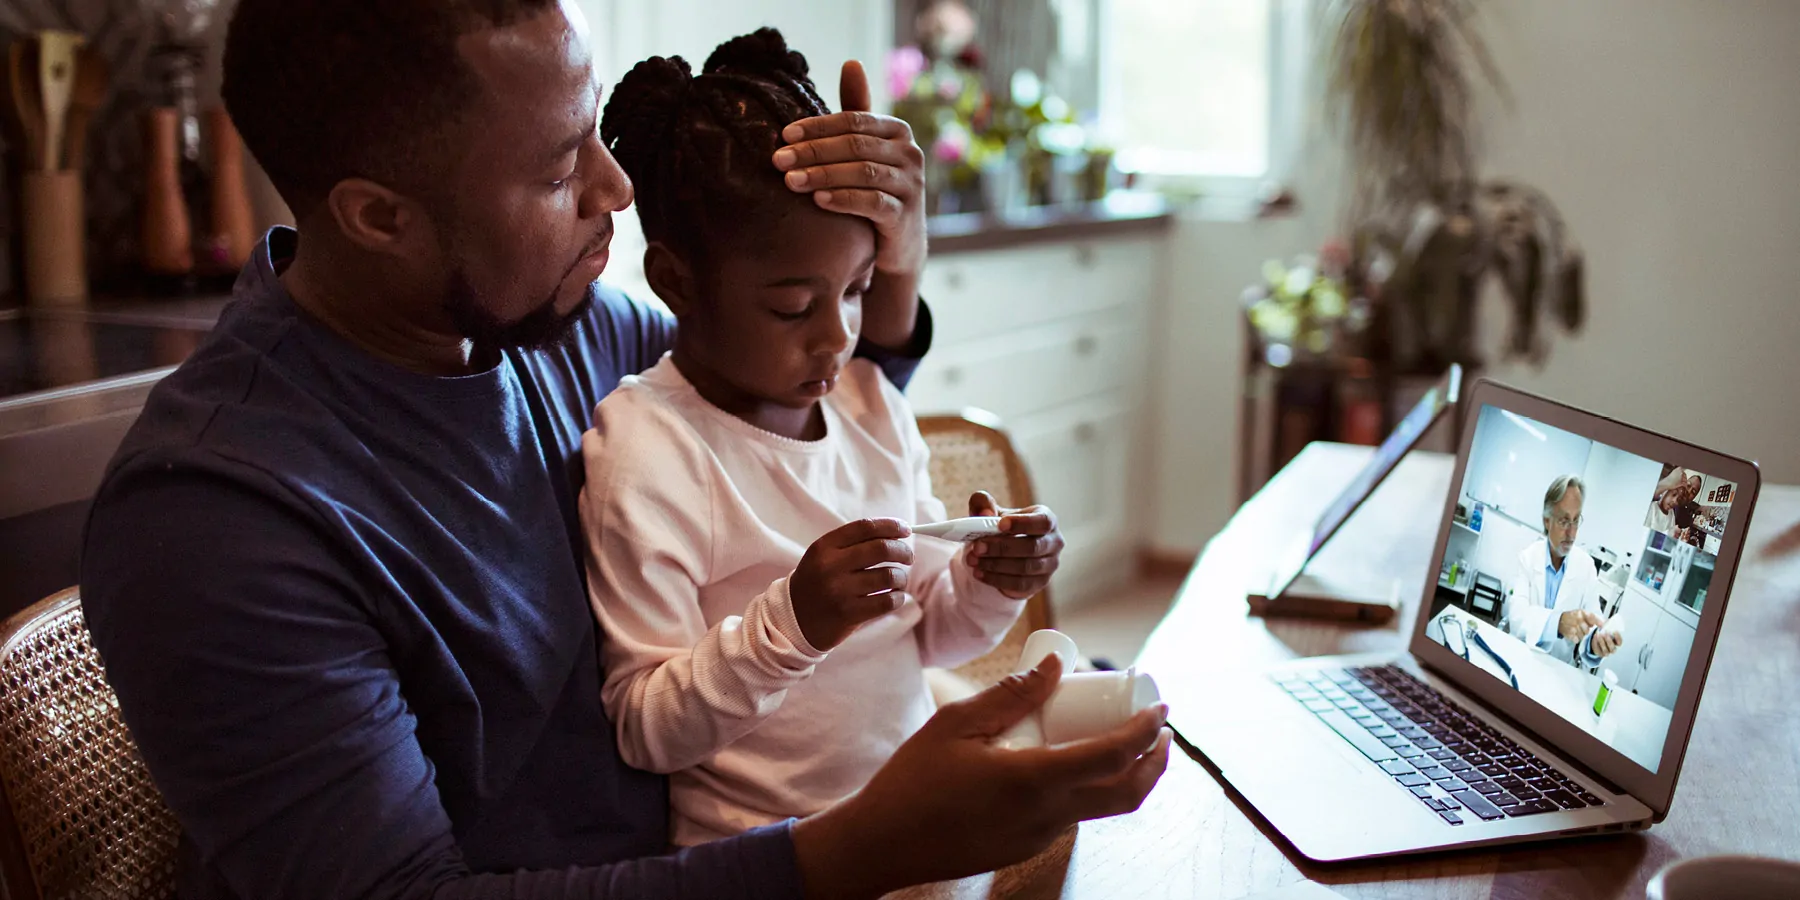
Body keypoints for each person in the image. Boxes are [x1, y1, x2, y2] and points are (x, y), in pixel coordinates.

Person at [76, 2, 1170, 898]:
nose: (616, 190)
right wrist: (857, 848)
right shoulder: (218, 519)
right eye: (559, 172)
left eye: (597, 132)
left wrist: (891, 269)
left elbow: (782, 417)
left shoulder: (560, 327)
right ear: (378, 216)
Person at [584, 30, 1053, 847]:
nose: (837, 338)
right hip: (769, 859)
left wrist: (989, 583)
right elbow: (645, 729)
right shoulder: (648, 452)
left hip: (917, 820)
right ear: (677, 282)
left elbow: (932, 638)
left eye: (858, 291)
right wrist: (792, 624)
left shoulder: (870, 404)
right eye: (794, 307)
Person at [1503, 475, 1622, 667]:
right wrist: (1557, 623)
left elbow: (1593, 623)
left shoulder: (1586, 567)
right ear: (1547, 521)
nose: (1572, 533)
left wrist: (1595, 642)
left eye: (1576, 521)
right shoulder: (1527, 558)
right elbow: (1517, 617)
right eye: (1564, 521)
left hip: (1557, 671)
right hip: (1520, 659)